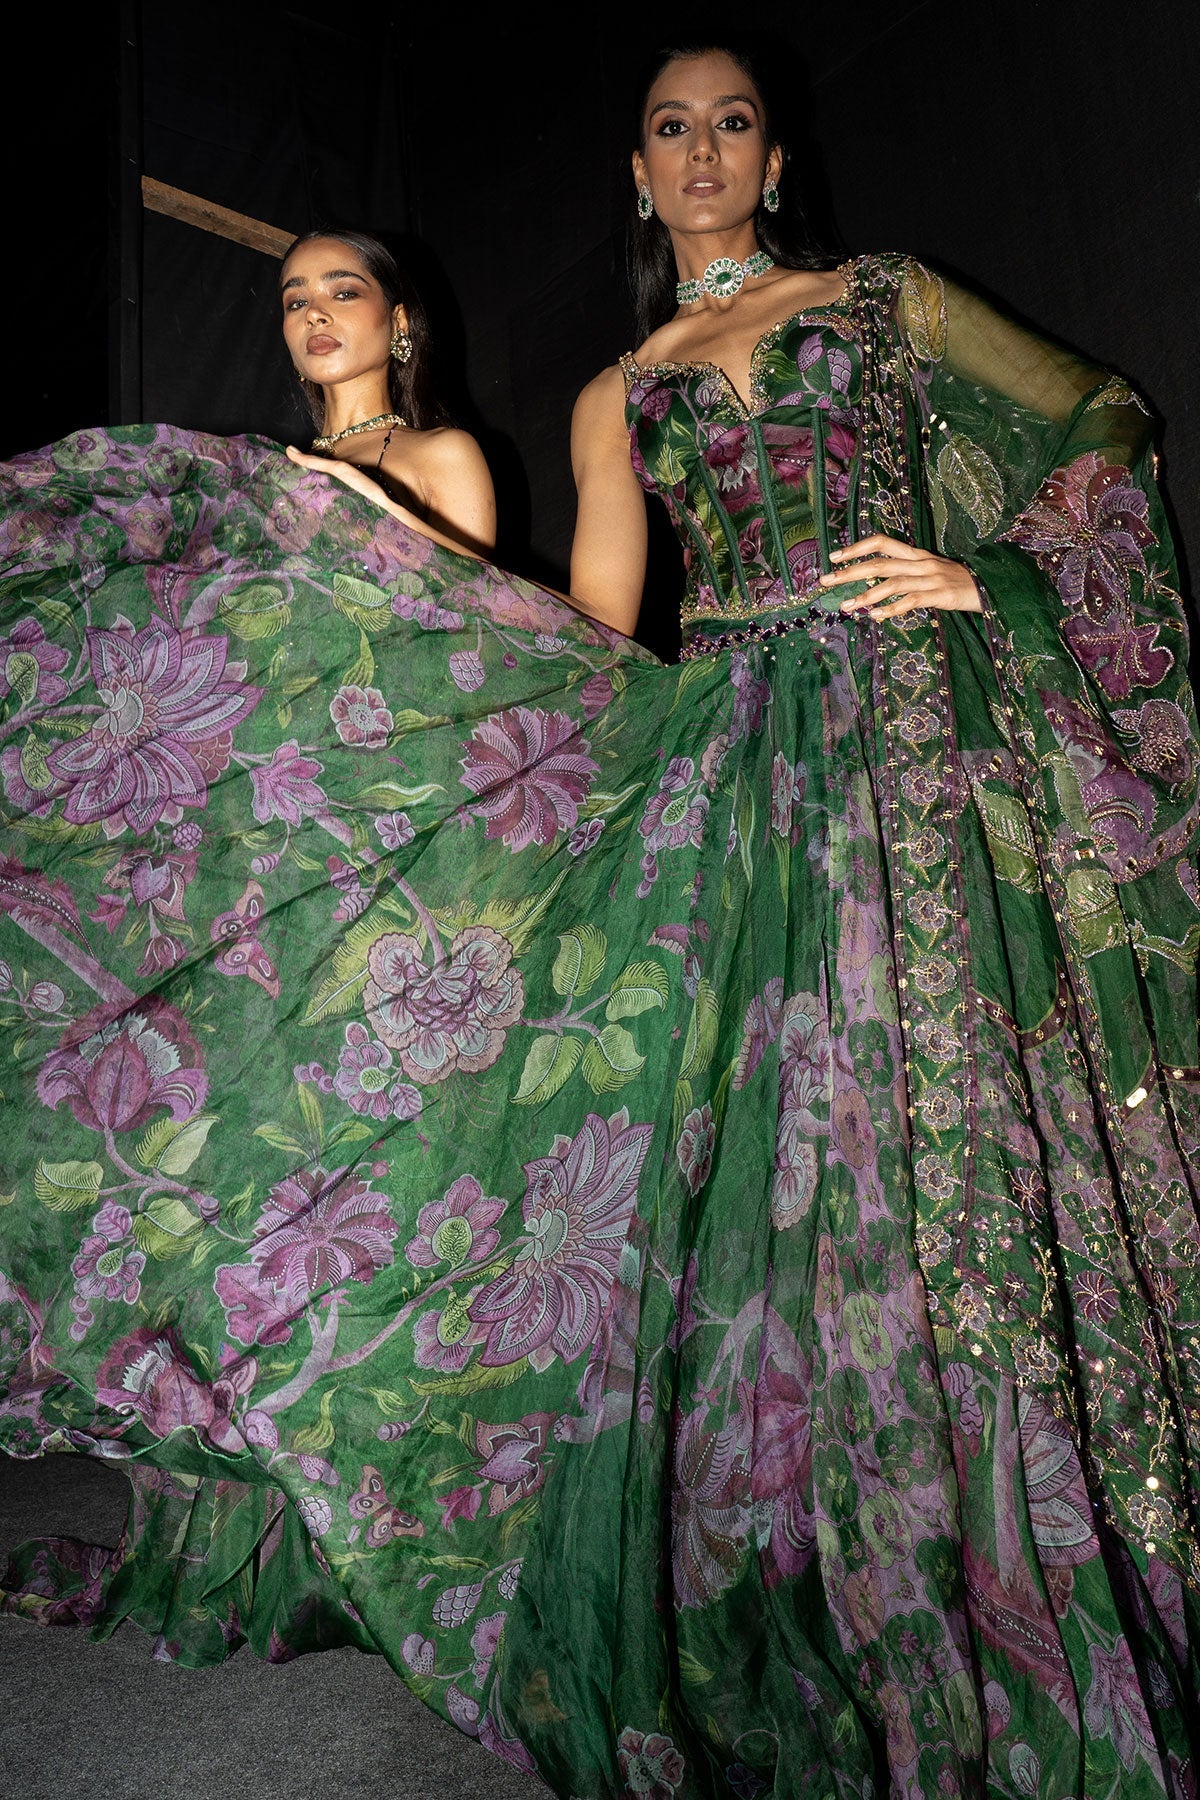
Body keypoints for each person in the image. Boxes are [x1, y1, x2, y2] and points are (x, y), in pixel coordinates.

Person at [1, 46, 1198, 1800]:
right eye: (668, 127)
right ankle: (825, 1563)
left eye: (732, 121)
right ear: (638, 176)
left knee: (937, 1135)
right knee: (777, 1172)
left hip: (912, 743)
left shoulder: (883, 300)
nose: (702, 148)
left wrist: (986, 573)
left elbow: (1105, 411)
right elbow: (593, 640)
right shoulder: (615, 394)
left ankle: (1004, 1560)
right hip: (731, 768)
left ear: (771, 158)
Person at [279, 227, 496, 557]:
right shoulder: (275, 472)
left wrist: (382, 511)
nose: (313, 314)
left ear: (399, 322)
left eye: (344, 293)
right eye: (296, 302)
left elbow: (483, 587)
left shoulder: (443, 453)